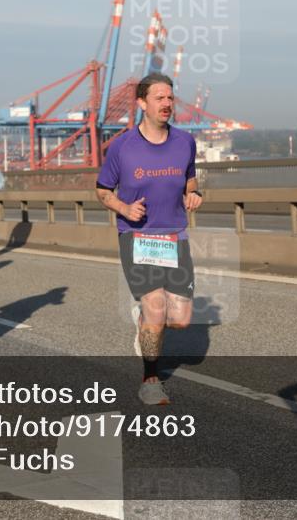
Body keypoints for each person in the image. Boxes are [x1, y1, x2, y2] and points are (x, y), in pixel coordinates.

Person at [95, 73, 203, 405]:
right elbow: (102, 190)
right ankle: (150, 380)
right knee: (156, 311)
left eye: (170, 97)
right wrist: (124, 207)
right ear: (142, 103)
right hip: (137, 236)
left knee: (181, 319)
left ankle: (141, 319)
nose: (167, 104)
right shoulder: (122, 147)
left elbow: (190, 179)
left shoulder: (185, 141)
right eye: (159, 98)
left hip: (174, 236)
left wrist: (195, 194)